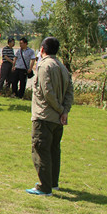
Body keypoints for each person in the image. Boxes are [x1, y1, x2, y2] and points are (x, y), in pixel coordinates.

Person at [26, 37, 74, 196]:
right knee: (54, 150)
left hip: (44, 116)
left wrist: (60, 109)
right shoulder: (62, 66)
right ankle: (52, 182)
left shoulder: (44, 65)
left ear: (42, 49)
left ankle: (44, 187)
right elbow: (70, 91)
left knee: (41, 150)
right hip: (57, 119)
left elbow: (47, 92)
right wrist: (64, 111)